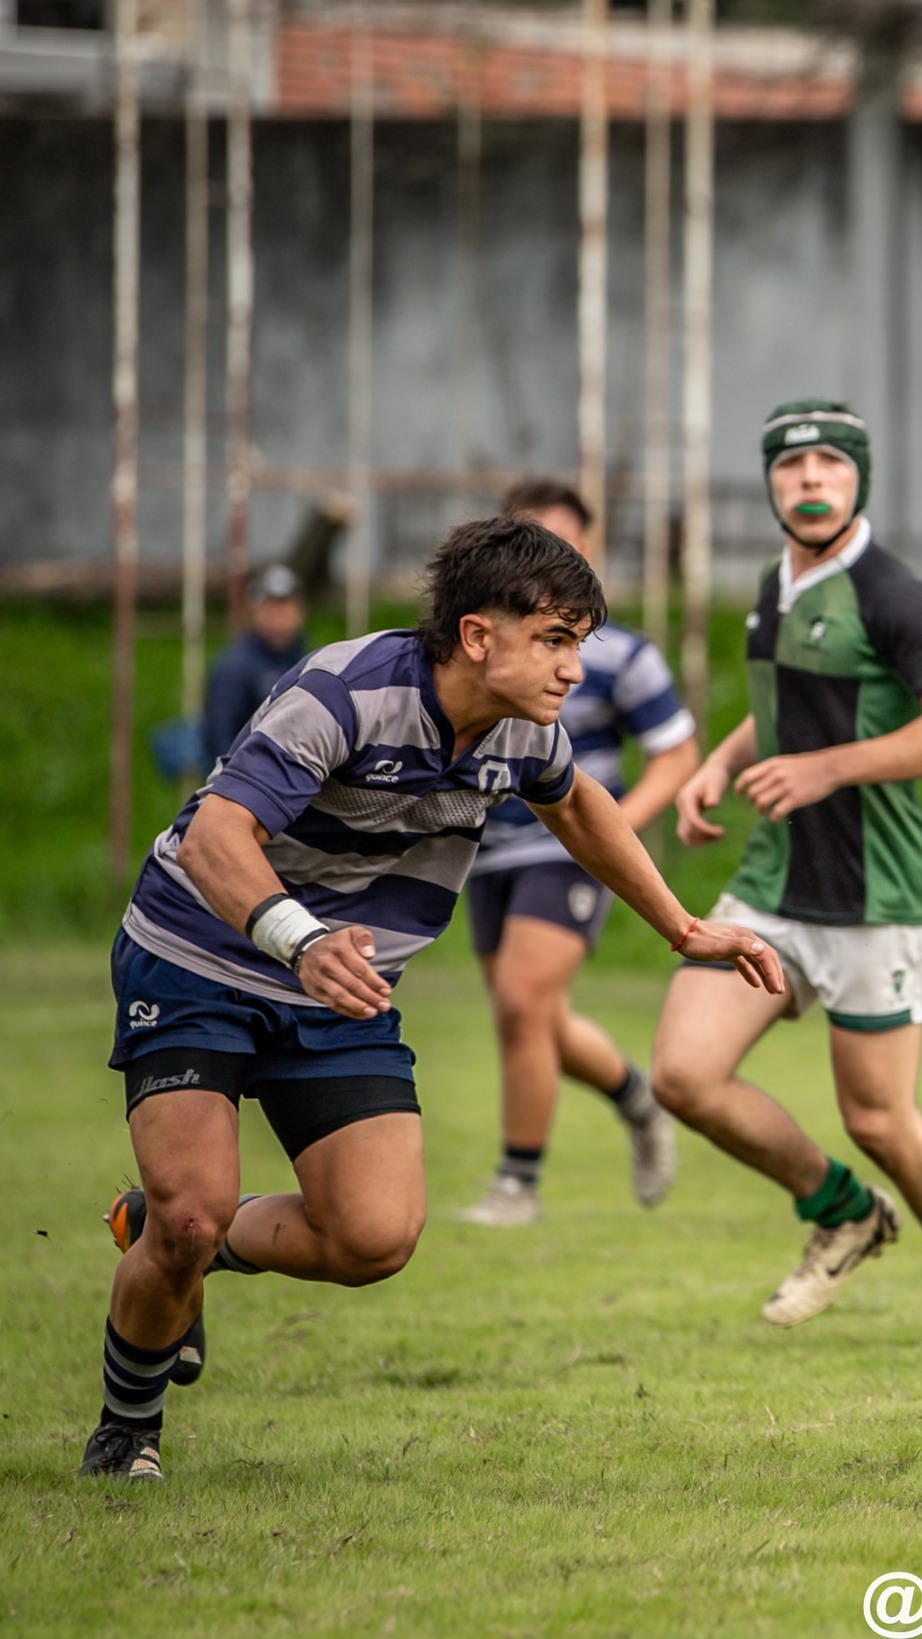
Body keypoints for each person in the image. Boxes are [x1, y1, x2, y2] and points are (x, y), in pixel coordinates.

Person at [84, 518, 782, 1482]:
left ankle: (165, 1231)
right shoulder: (344, 692)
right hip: (197, 956)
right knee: (191, 1214)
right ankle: (127, 1431)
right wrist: (302, 935)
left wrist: (683, 926)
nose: (574, 667)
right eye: (555, 639)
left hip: (342, 989)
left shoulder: (524, 730)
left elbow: (578, 804)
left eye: (578, 641)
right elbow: (215, 836)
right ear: (476, 635)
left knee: (374, 1237)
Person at [653, 400, 922, 1350]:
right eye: (791, 466)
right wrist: (718, 759)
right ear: (771, 481)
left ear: (859, 476)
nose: (810, 480)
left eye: (829, 463)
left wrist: (825, 769)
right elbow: (789, 701)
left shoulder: (893, 591)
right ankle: (842, 1209)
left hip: (877, 897)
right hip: (776, 885)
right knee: (684, 1075)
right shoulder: (778, 579)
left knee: (879, 1116)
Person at [455, 481, 701, 1227]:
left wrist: (609, 833)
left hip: (566, 855)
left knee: (526, 1003)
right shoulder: (483, 649)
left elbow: (677, 753)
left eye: (562, 540)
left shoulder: (621, 655)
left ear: (586, 549)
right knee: (527, 1016)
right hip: (486, 853)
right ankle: (638, 1096)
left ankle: (517, 1183)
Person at [203, 565, 308, 766]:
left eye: (286, 604)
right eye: (271, 605)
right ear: (254, 609)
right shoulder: (233, 667)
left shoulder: (311, 659)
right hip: (250, 780)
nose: (280, 614)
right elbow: (220, 738)